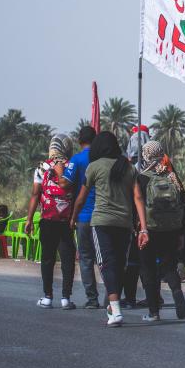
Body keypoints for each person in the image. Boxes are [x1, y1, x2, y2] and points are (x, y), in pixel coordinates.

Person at [74, 132, 149, 328]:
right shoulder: (128, 167)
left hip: (101, 223)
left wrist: (73, 217)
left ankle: (115, 310)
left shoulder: (94, 167)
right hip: (124, 224)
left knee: (106, 263)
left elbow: (81, 198)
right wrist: (144, 228)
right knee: (119, 264)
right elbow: (138, 198)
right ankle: (113, 305)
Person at [136, 140, 185, 322]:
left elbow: (135, 204)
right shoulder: (171, 176)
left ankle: (154, 311)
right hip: (172, 229)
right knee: (168, 265)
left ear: (145, 155)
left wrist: (138, 229)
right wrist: (183, 232)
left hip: (149, 229)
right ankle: (177, 292)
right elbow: (183, 204)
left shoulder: (142, 177)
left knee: (148, 269)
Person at [26, 135, 77, 310]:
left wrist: (29, 219)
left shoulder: (41, 167)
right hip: (66, 221)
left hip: (47, 220)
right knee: (67, 259)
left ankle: (47, 297)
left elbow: (35, 195)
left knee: (47, 258)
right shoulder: (72, 166)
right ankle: (66, 298)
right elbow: (76, 193)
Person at [62, 125, 101, 309]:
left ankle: (92, 299)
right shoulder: (103, 159)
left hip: (84, 216)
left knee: (86, 258)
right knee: (104, 258)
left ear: (79, 141)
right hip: (102, 216)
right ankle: (112, 296)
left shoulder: (76, 160)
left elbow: (65, 184)